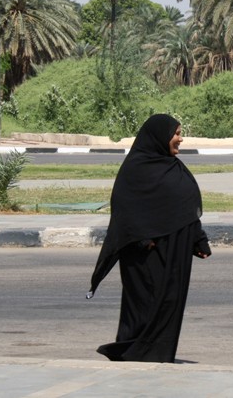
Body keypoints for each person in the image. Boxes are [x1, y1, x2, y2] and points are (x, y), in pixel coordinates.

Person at [86, 113, 211, 363]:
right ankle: (134, 350)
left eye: (179, 133)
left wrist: (198, 240)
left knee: (170, 301)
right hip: (143, 252)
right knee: (145, 304)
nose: (180, 139)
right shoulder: (135, 169)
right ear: (160, 137)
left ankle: (157, 352)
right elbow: (125, 210)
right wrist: (143, 239)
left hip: (175, 250)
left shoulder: (174, 167)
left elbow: (185, 205)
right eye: (176, 134)